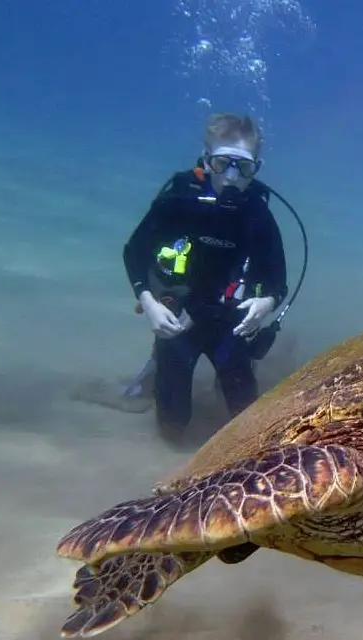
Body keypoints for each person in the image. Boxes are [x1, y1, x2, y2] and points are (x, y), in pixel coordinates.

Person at [122, 112, 288, 440]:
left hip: (229, 322)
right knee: (172, 428)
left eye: (243, 167)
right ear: (206, 160)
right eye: (222, 163)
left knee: (249, 425)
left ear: (256, 168)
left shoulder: (257, 214)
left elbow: (277, 281)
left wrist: (266, 304)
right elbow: (134, 253)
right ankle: (160, 363)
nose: (231, 176)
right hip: (178, 317)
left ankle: (230, 369)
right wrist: (149, 304)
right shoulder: (178, 201)